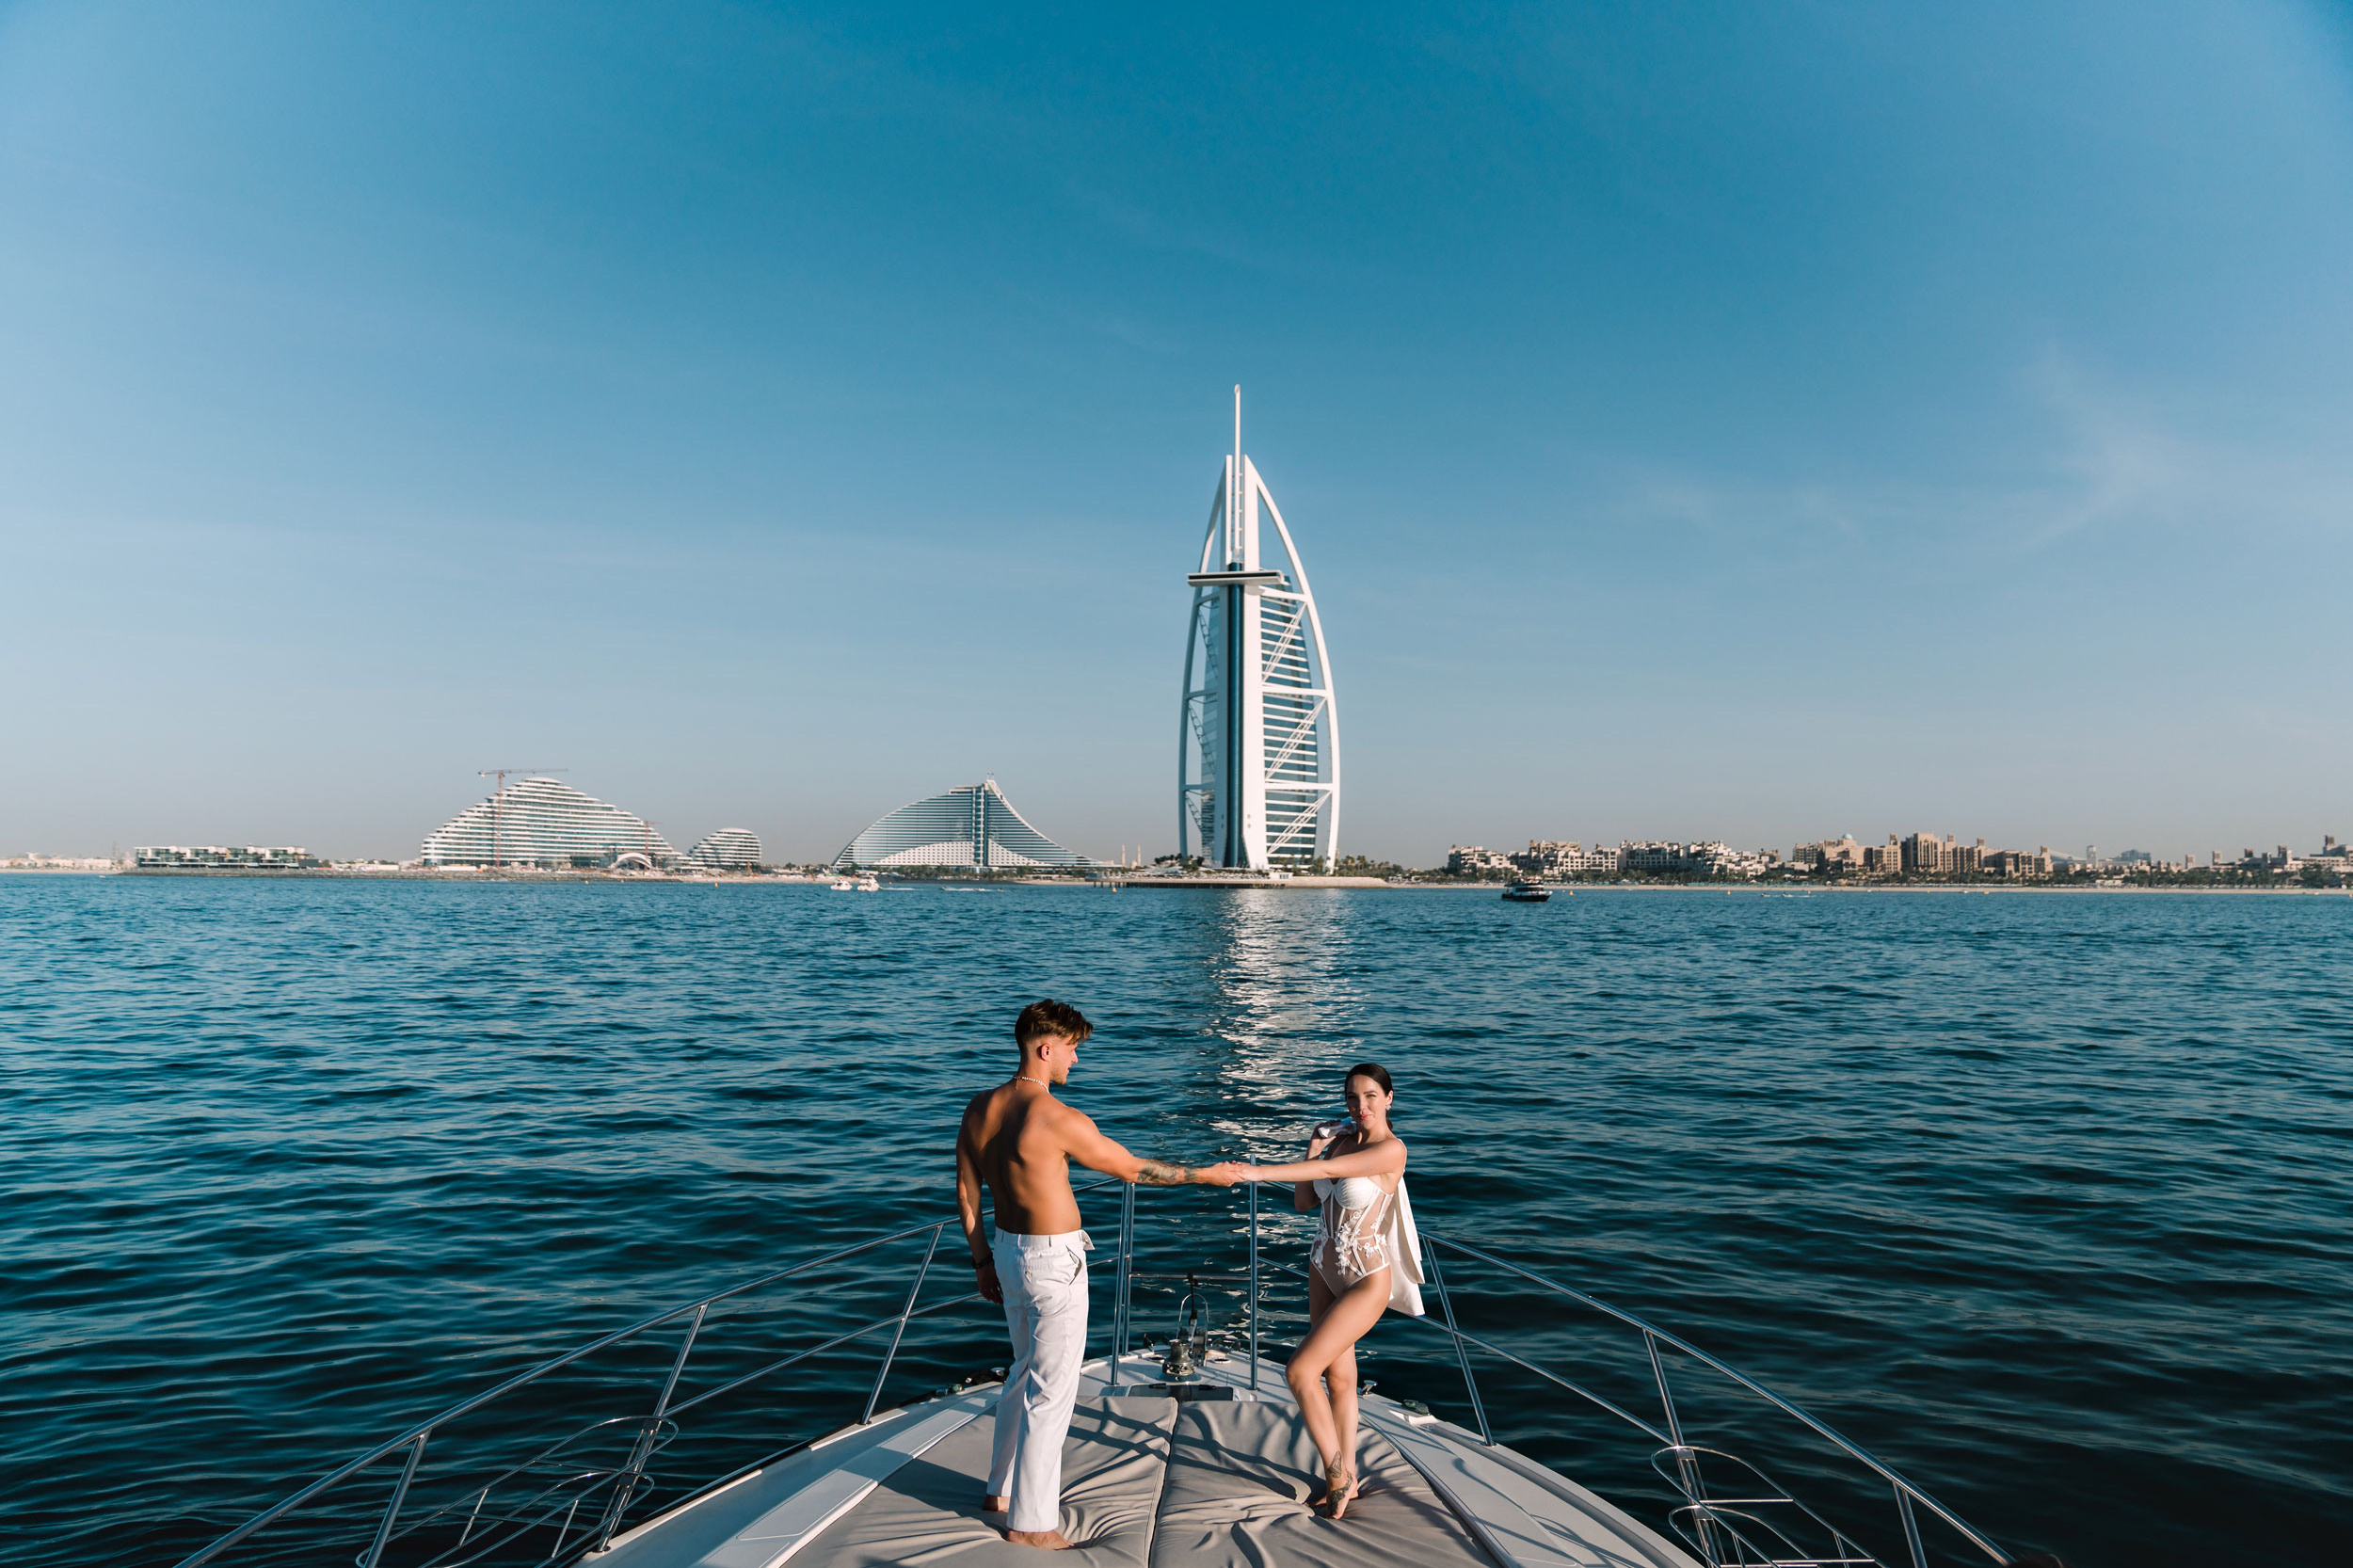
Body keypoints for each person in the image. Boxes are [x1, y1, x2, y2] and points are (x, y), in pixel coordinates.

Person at [955, 999, 1233, 1549]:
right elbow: (1132, 1168)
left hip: (1007, 1255)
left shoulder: (979, 1108)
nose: (1076, 1061)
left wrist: (982, 1259)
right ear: (1045, 1047)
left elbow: (967, 1194)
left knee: (1022, 1370)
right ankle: (1032, 1525)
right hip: (1053, 1262)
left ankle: (999, 1489)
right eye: (1072, 1049)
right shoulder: (1056, 1118)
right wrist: (1207, 1175)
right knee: (1051, 1390)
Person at [1207, 1063, 1422, 1520]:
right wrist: (1315, 1146)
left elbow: (1343, 1171)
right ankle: (1349, 1483)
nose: (1359, 1106)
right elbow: (1305, 1201)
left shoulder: (1390, 1150)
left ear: (1389, 1098)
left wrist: (1254, 1172)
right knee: (1339, 1381)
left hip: (1365, 1278)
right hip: (1322, 1268)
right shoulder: (1341, 1142)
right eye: (1351, 1098)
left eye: (1369, 1096)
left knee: (1299, 1372)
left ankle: (1336, 1473)